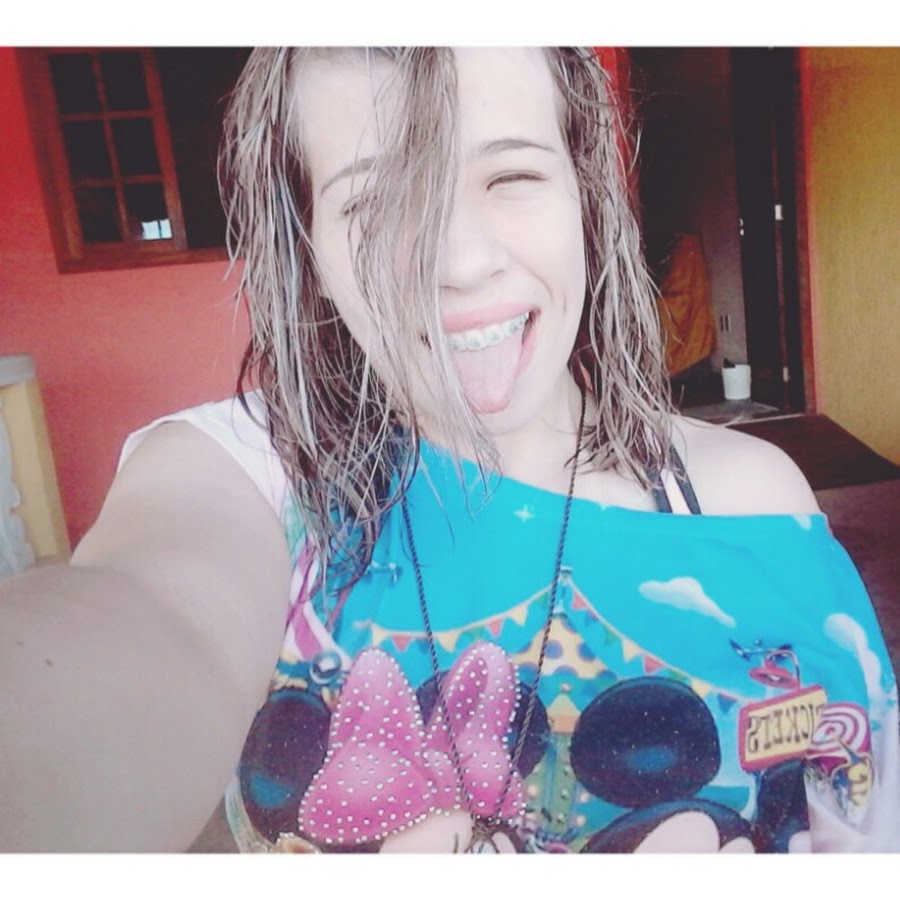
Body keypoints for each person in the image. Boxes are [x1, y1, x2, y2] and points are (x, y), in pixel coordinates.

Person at [1, 47, 897, 853]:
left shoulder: (745, 502)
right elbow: (138, 627)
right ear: (311, 249)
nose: (459, 263)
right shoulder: (248, 478)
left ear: (586, 194)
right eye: (375, 199)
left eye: (511, 175)